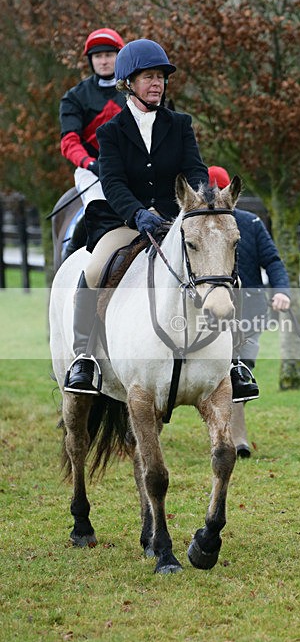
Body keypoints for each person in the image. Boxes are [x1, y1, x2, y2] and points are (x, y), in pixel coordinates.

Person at [64, 38, 209, 394]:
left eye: (160, 77)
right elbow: (112, 183)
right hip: (126, 223)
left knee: (216, 264)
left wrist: (199, 201)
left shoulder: (180, 124)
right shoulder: (110, 132)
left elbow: (196, 170)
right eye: (148, 77)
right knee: (94, 270)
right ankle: (84, 357)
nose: (157, 83)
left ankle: (232, 361)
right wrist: (137, 213)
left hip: (174, 221)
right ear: (129, 83)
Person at [208, 166, 291, 456]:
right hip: (212, 311)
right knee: (222, 371)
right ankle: (233, 438)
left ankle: (235, 437)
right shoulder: (194, 227)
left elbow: (273, 261)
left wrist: (281, 291)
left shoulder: (251, 223)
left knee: (240, 369)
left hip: (250, 310)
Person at [59, 28, 126, 218]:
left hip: (132, 166)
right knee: (98, 208)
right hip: (92, 171)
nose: (103, 61)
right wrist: (91, 164)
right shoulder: (74, 97)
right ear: (91, 60)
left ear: (119, 57)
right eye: (97, 56)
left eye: (109, 55)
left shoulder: (136, 92)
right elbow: (69, 142)